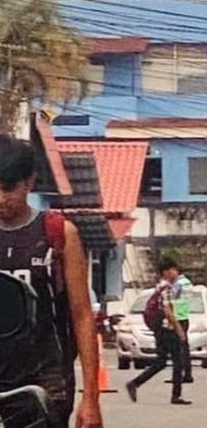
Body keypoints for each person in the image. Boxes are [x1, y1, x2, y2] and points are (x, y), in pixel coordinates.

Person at [0, 135, 103, 428]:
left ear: (29, 182)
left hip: (46, 379)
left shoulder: (58, 234)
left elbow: (82, 315)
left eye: (9, 188)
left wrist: (91, 397)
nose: (1, 199)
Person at [126, 258, 191, 405]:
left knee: (161, 361)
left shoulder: (159, 287)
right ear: (167, 272)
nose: (176, 272)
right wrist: (179, 329)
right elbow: (168, 311)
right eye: (174, 269)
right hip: (168, 329)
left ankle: (135, 383)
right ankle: (176, 395)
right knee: (177, 362)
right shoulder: (167, 288)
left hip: (160, 329)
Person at [173, 270, 194, 383]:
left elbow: (172, 299)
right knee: (184, 347)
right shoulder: (188, 283)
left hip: (177, 317)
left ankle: (179, 375)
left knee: (178, 348)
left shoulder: (178, 284)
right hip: (184, 315)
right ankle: (188, 373)